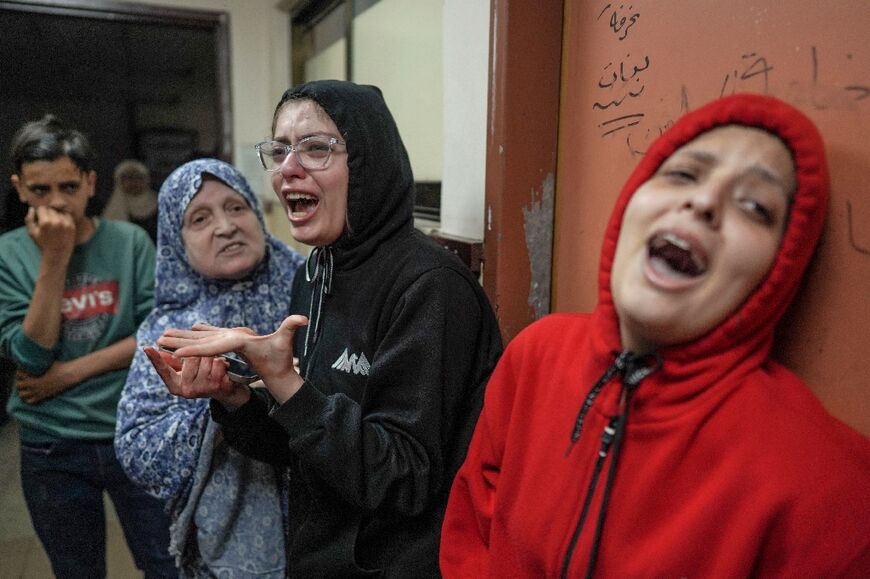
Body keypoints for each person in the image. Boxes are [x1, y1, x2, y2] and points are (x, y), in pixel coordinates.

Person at [439, 93, 870, 577]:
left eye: (754, 206)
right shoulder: (535, 355)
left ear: (777, 272)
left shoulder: (828, 488)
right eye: (684, 174)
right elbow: (474, 527)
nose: (704, 201)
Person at [147, 80, 503, 578]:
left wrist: (286, 383)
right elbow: (302, 447)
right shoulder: (313, 273)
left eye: (316, 148)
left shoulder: (430, 288)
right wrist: (235, 398)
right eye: (279, 150)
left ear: (367, 163)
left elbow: (403, 480)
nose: (288, 168)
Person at [0, 115, 176, 578]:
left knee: (165, 561)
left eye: (68, 186)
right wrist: (55, 257)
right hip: (52, 446)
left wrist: (67, 375)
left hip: (131, 428)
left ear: (90, 183)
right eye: (40, 190)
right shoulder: (9, 254)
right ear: (19, 188)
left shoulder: (130, 243)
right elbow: (31, 356)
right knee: (77, 571)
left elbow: (157, 333)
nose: (56, 201)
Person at [114, 158, 306, 577]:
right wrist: (210, 408)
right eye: (200, 217)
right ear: (175, 241)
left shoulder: (310, 290)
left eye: (236, 208)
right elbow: (136, 452)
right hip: (228, 555)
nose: (225, 226)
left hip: (332, 532)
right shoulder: (169, 332)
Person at [103, 158, 159, 242]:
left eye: (138, 177)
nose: (133, 182)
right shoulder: (111, 208)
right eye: (128, 178)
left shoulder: (160, 204)